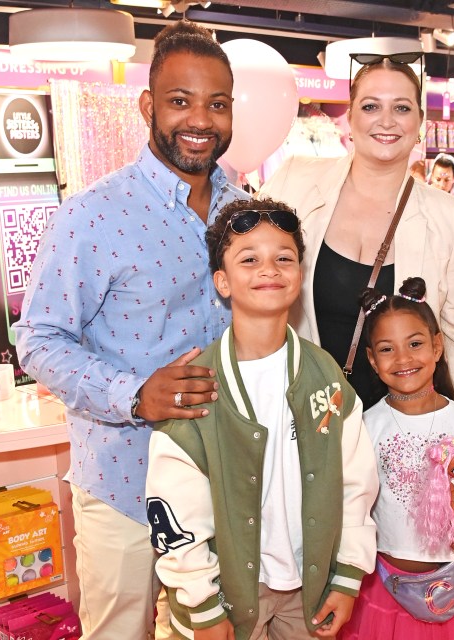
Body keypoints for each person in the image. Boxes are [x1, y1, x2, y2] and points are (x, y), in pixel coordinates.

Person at [13, 20, 248, 640]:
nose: (200, 119)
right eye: (180, 101)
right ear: (148, 106)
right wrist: (133, 393)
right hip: (124, 481)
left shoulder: (244, 209)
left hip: (221, 475)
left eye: (216, 104)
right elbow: (37, 339)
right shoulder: (92, 215)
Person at [145, 197, 379, 640]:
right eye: (249, 259)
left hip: (307, 588)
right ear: (222, 281)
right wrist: (204, 607)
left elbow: (355, 483)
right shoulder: (197, 386)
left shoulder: (324, 375)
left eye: (284, 258)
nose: (269, 269)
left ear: (299, 274)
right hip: (226, 594)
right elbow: (177, 509)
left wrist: (348, 574)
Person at [258, 53, 454, 426]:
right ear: (350, 118)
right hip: (305, 425)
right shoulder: (295, 182)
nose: (386, 121)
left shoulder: (450, 217)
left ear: (420, 123)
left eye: (401, 107)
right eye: (370, 106)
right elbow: (244, 279)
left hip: (405, 434)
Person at [339, 278, 454, 640]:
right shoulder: (364, 427)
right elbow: (354, 505)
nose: (404, 359)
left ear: (437, 346)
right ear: (371, 360)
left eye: (415, 344)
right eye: (387, 349)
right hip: (384, 588)